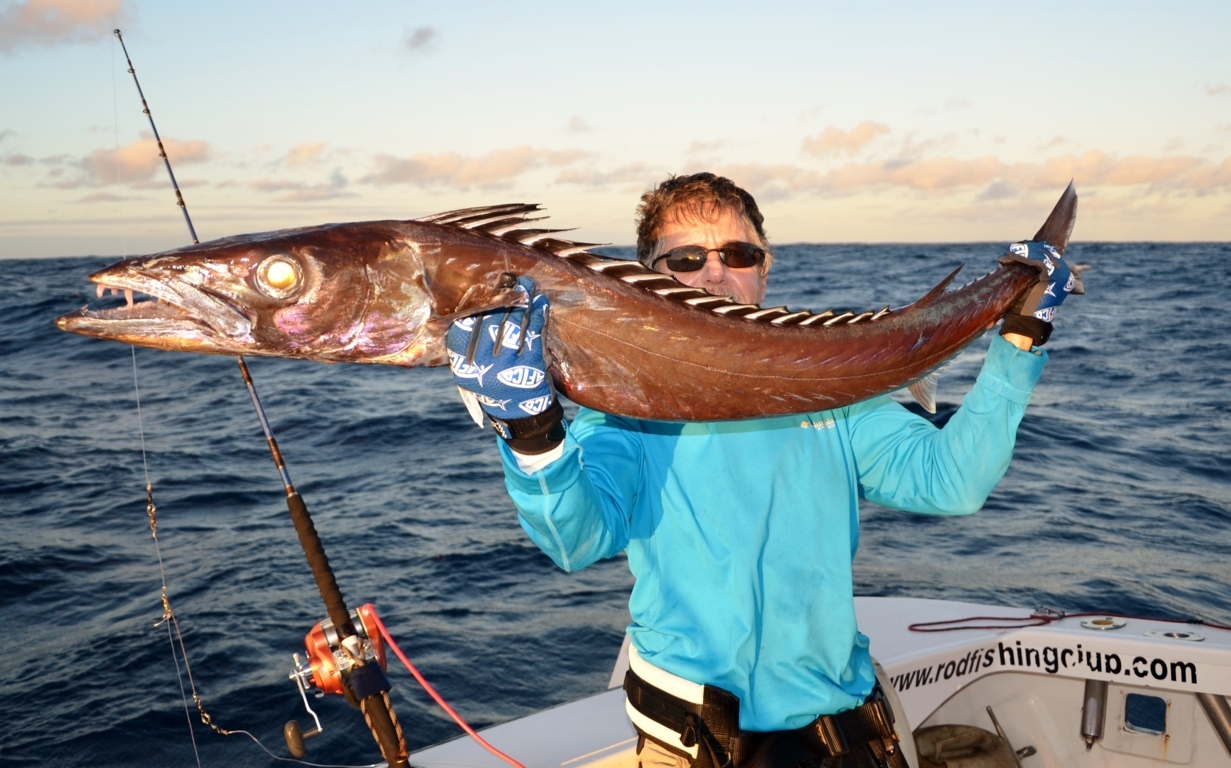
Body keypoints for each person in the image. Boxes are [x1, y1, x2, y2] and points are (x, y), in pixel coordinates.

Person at [447, 173, 1073, 768]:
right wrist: (532, 433)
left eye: (738, 254)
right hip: (688, 739)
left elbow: (950, 482)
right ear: (646, 280)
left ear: (765, 268)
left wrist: (1019, 339)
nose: (715, 273)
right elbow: (575, 539)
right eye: (686, 260)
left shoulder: (830, 392)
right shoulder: (624, 409)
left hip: (843, 725)